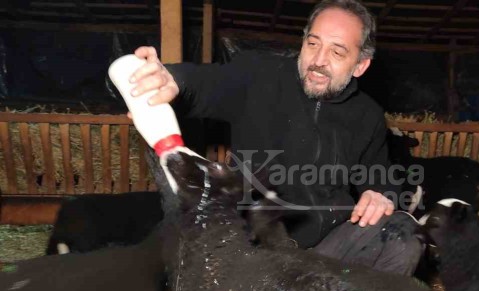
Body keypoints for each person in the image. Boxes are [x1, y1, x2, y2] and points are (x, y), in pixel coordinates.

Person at [128, 0, 422, 275]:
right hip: (260, 247)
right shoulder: (259, 76)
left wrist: (381, 193)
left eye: (337, 52)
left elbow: (380, 174)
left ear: (360, 65)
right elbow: (206, 84)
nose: (318, 60)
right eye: (313, 43)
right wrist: (171, 79)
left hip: (330, 245)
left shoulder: (367, 115)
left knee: (402, 237)